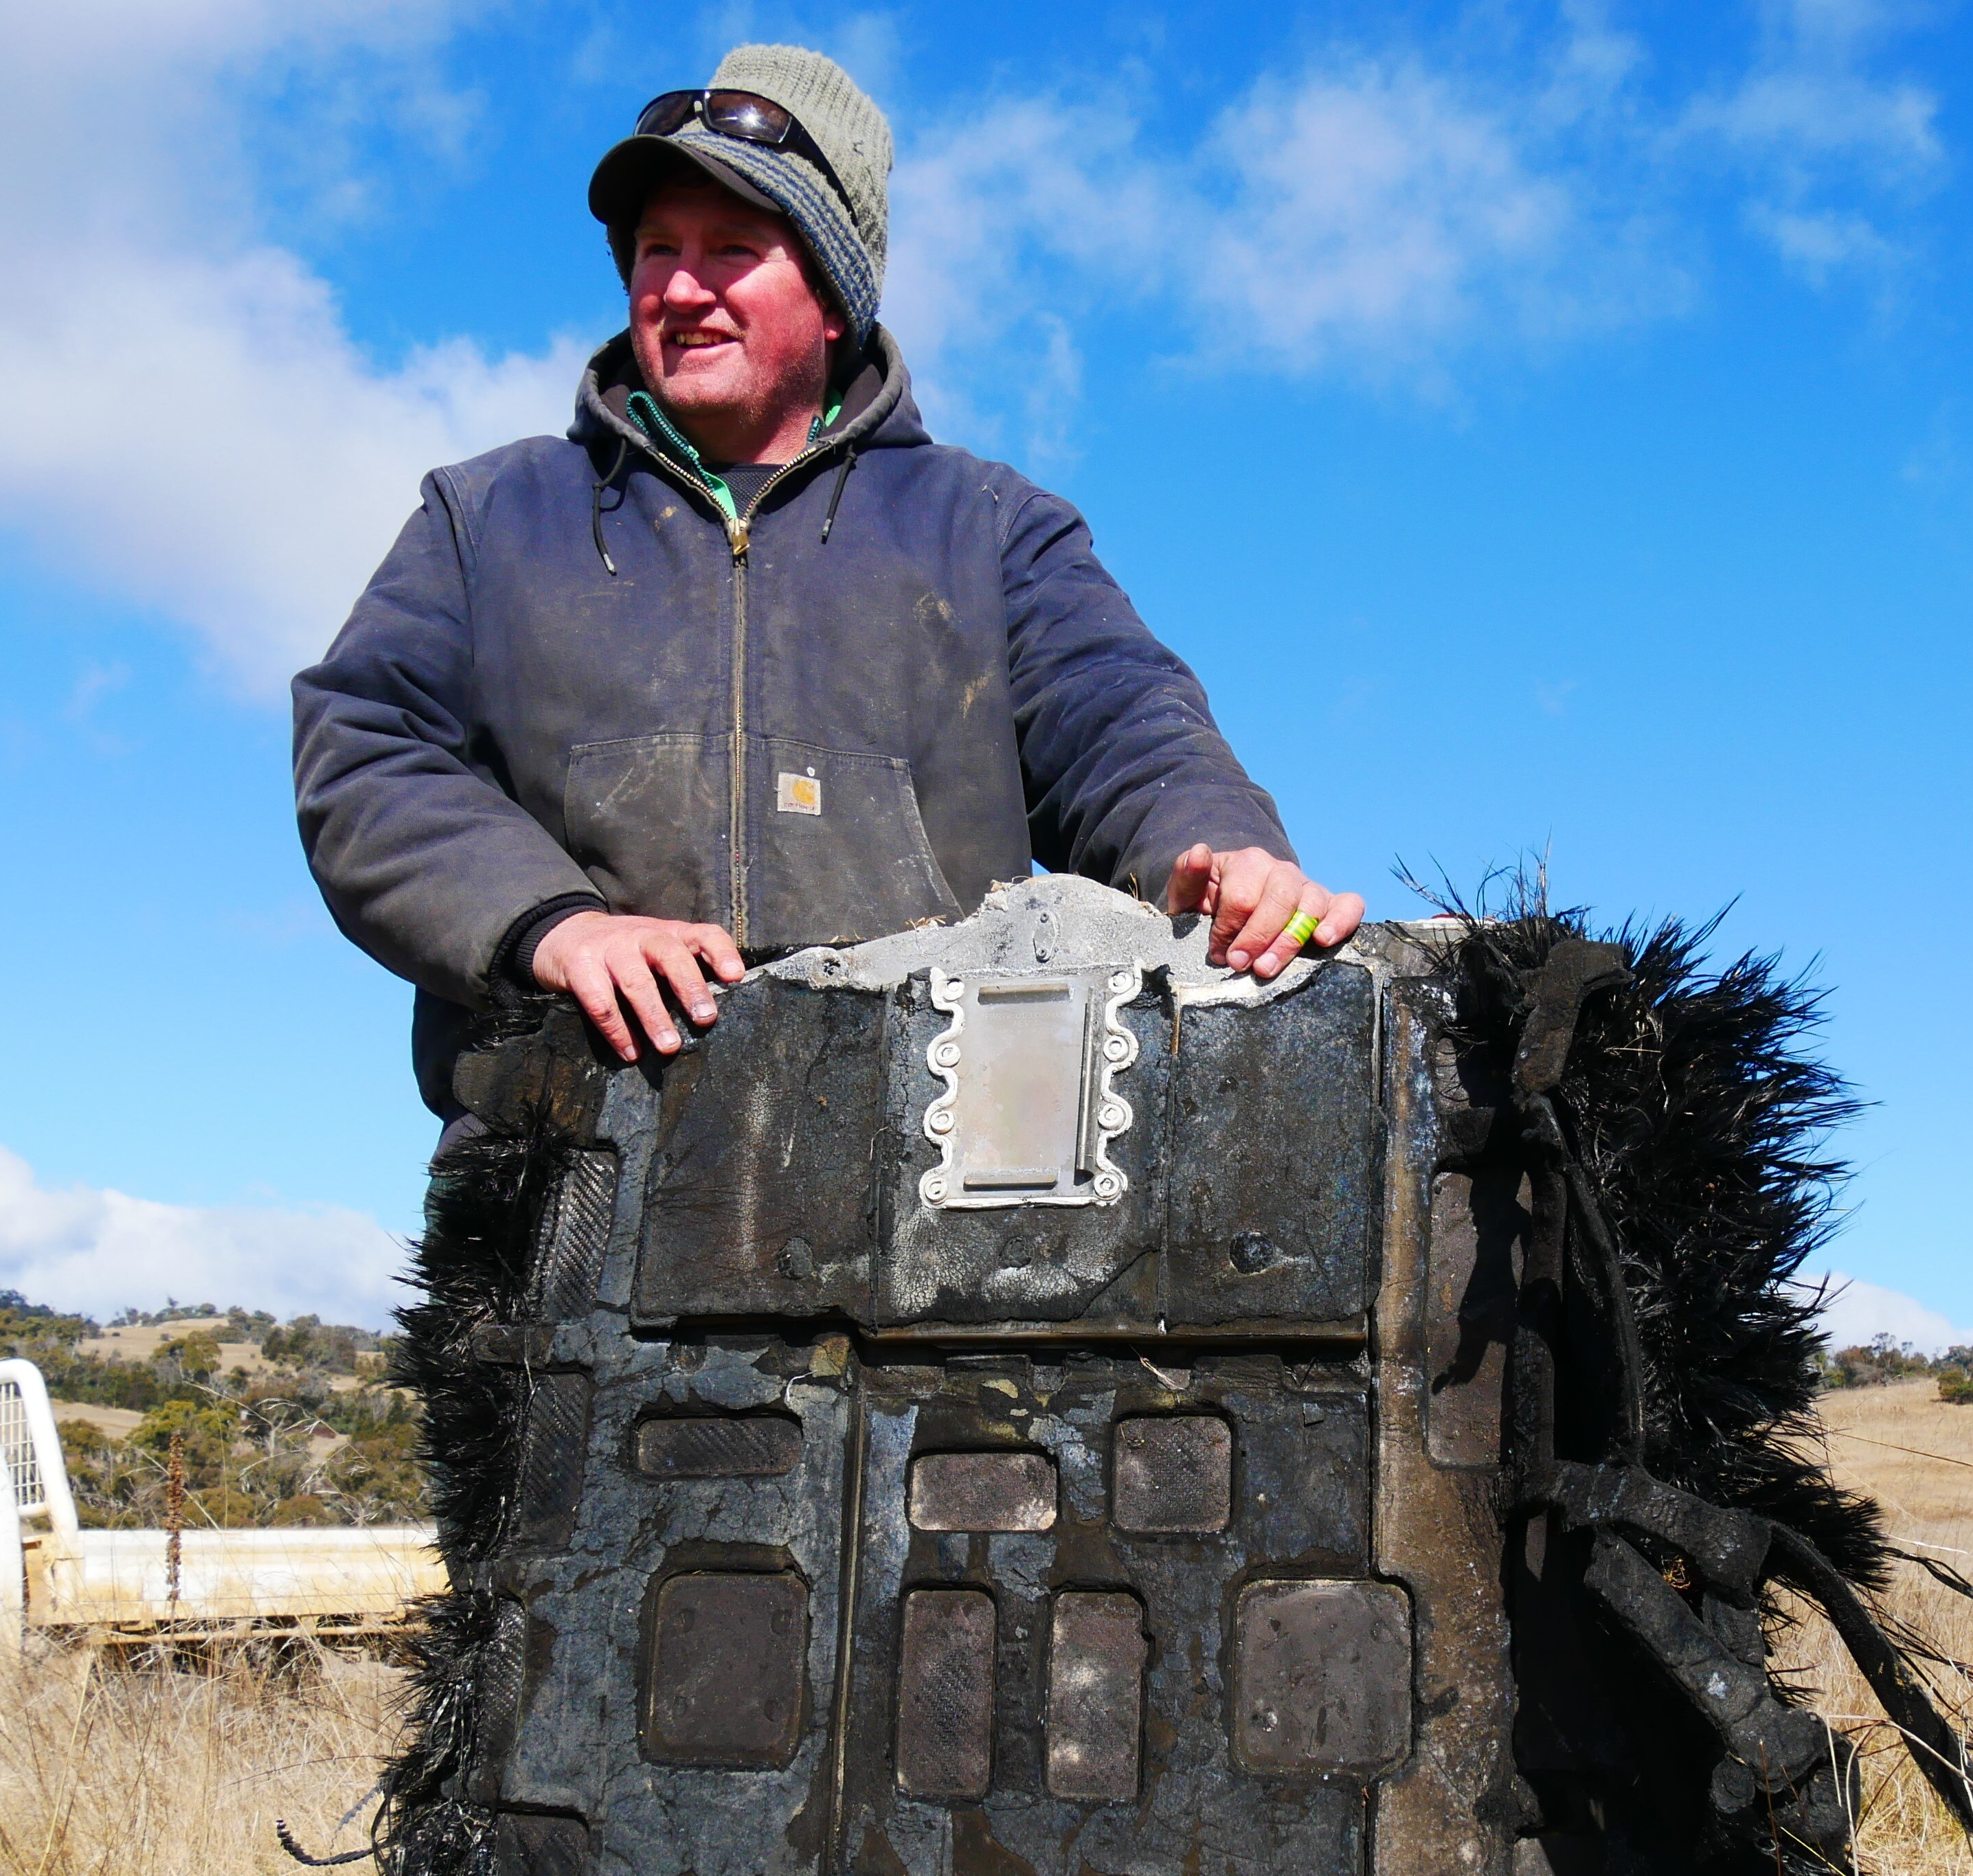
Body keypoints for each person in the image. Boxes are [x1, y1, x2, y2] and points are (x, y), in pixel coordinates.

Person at [294, 43, 1363, 1131]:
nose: (680, 285)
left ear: (835, 293)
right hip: (569, 1151)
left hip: (920, 1157)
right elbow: (366, 750)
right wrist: (554, 926)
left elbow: (1127, 726)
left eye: (732, 248)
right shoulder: (486, 517)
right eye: (657, 248)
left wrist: (1228, 849)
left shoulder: (992, 528)